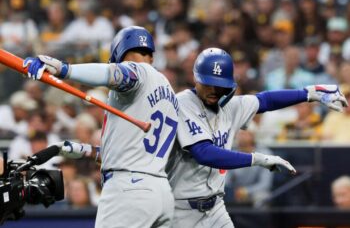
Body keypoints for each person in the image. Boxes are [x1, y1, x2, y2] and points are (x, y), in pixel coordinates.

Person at [55, 48, 347, 228]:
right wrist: (257, 159)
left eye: (220, 86)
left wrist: (311, 93)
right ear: (195, 79)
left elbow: (265, 100)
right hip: (181, 211)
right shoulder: (181, 103)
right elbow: (204, 153)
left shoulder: (229, 106)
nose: (212, 91)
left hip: (215, 207)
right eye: (207, 84)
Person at [23, 26, 179, 228]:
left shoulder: (138, 71)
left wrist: (64, 69)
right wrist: (89, 151)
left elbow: (115, 74)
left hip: (129, 190)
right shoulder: (169, 91)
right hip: (162, 193)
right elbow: (136, 151)